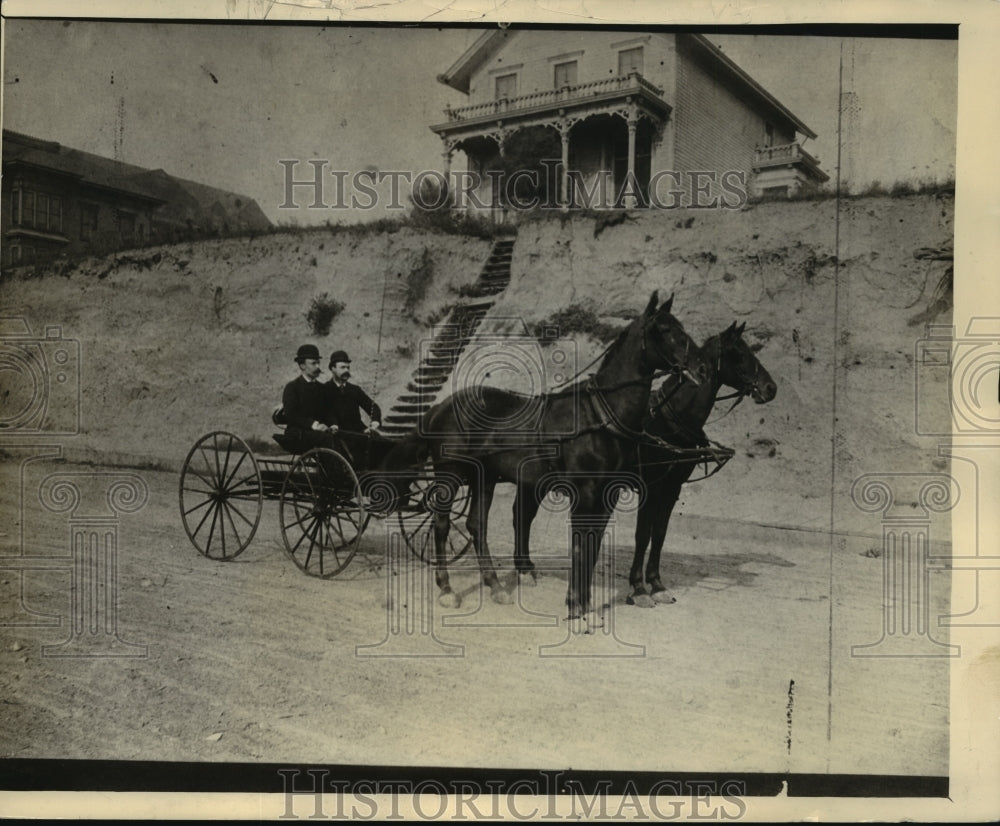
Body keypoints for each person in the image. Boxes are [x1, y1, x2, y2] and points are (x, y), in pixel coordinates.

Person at [324, 350, 385, 468]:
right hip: (338, 434)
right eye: (342, 367)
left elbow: (373, 407)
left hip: (358, 431)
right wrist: (332, 424)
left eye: (348, 367)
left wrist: (374, 423)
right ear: (332, 368)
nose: (346, 370)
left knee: (380, 443)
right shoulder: (325, 390)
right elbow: (325, 411)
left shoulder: (354, 390)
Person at [281, 343, 338, 451]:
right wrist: (314, 425)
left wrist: (333, 424)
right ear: (302, 365)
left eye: (318, 363)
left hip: (316, 433)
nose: (317, 367)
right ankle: (331, 468)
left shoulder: (322, 388)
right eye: (313, 363)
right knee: (326, 439)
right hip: (297, 434)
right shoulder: (292, 387)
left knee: (340, 437)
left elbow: (328, 411)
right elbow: (291, 415)